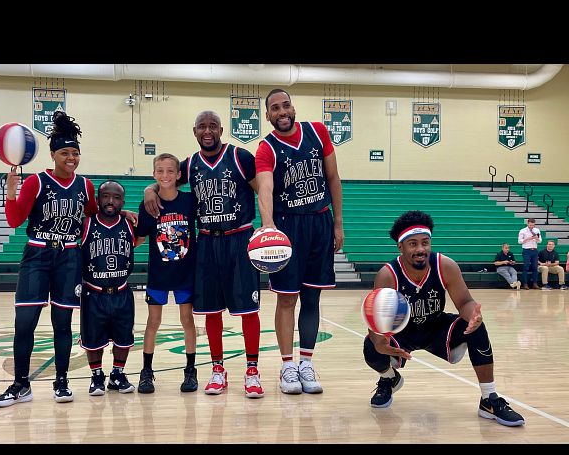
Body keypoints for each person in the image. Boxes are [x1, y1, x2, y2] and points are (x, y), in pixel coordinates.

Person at [363, 210, 525, 427]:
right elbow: (375, 320)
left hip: (436, 327)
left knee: (477, 327)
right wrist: (378, 342)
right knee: (370, 346)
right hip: (402, 332)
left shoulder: (444, 265)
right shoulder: (387, 275)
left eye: (425, 243)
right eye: (413, 244)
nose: (420, 249)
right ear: (400, 247)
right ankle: (389, 377)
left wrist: (473, 316)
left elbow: (465, 302)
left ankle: (489, 398)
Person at [144, 112, 263, 398]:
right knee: (211, 310)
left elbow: (264, 188)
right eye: (202, 127)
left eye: (212, 126)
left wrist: (268, 225)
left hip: (239, 238)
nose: (207, 131)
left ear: (221, 129)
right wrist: (149, 188)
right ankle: (217, 370)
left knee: (248, 310)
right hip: (207, 241)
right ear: (194, 131)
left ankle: (252, 371)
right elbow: (166, 180)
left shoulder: (240, 157)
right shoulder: (190, 164)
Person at [0, 111, 97, 407]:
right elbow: (15, 220)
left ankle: (61, 381)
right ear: (53, 155)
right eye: (65, 153)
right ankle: (21, 384)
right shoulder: (37, 182)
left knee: (62, 324)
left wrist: (123, 213)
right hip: (37, 254)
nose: (71, 158)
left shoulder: (86, 186)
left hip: (70, 256)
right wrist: (11, 193)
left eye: (75, 153)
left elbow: (92, 218)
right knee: (25, 323)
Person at [255, 88, 344, 394]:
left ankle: (306, 362)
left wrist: (338, 223)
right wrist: (268, 227)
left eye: (286, 106)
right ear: (268, 115)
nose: (282, 112)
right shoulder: (266, 148)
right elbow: (265, 189)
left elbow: (333, 178)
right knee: (287, 298)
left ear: (293, 108)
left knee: (312, 297)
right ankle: (287, 366)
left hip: (319, 221)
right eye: (275, 108)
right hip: (287, 226)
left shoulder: (318, 132)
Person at [136, 153, 198, 394]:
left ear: (179, 174)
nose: (165, 175)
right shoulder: (148, 206)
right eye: (160, 171)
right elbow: (140, 237)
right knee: (153, 322)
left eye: (170, 170)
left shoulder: (190, 201)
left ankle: (190, 371)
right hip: (158, 275)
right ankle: (146, 372)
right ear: (154, 174)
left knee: (187, 321)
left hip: (185, 273)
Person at [79, 181, 137, 395]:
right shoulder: (85, 224)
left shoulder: (130, 225)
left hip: (121, 292)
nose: (110, 201)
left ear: (123, 202)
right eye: (105, 196)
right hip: (93, 292)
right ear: (97, 199)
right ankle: (96, 376)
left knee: (124, 338)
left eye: (116, 197)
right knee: (93, 339)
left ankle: (117, 375)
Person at [518, 217, 542, 289]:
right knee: (526, 267)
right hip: (526, 250)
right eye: (530, 225)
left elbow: (540, 240)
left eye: (533, 225)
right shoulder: (523, 230)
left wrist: (536, 238)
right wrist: (528, 238)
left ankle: (535, 283)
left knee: (535, 267)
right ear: (527, 224)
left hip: (534, 250)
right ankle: (525, 284)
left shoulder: (537, 230)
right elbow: (519, 241)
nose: (531, 226)